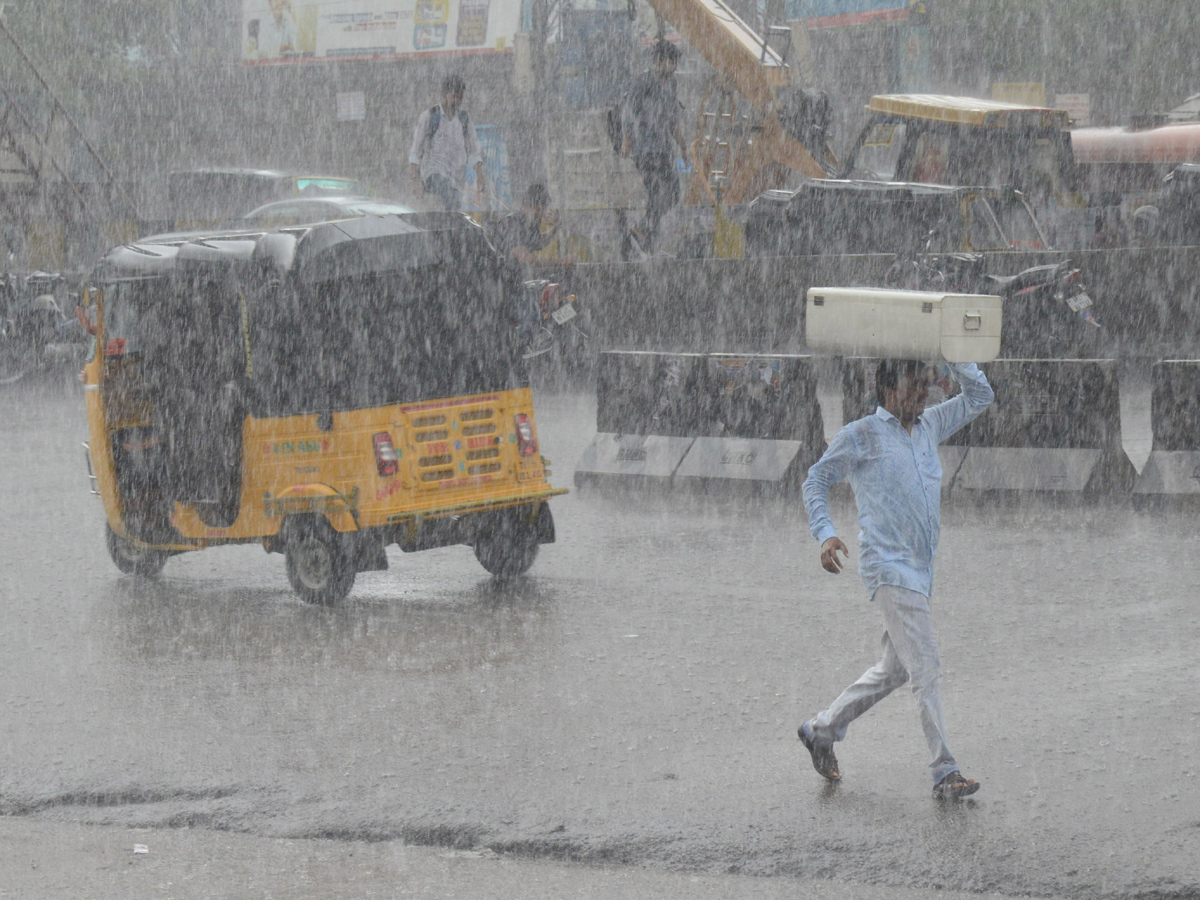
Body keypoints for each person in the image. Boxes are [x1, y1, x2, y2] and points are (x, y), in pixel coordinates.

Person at [799, 358, 994, 801]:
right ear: (888, 391)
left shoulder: (929, 425)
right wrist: (826, 533)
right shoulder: (863, 434)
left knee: (894, 670)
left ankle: (820, 729)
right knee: (926, 667)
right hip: (887, 567)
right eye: (914, 387)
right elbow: (815, 480)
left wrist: (953, 352)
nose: (924, 395)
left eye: (927, 386)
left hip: (921, 570)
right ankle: (945, 772)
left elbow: (981, 396)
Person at [487, 183, 574, 355]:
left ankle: (536, 339)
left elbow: (537, 242)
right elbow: (525, 256)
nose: (542, 213)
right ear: (530, 205)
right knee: (528, 314)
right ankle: (517, 349)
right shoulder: (513, 222)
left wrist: (555, 229)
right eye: (540, 209)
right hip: (499, 281)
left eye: (543, 209)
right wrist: (560, 261)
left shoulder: (531, 223)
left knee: (535, 307)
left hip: (514, 279)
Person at [620, 40, 687, 255]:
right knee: (656, 192)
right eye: (672, 62)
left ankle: (643, 232)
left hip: (664, 149)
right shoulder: (643, 82)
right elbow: (629, 112)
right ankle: (645, 235)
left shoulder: (672, 84)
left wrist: (684, 147)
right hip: (645, 148)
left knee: (674, 193)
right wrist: (627, 139)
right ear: (659, 61)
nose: (674, 67)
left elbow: (673, 120)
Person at [408, 74, 486, 212]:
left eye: (460, 97)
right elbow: (416, 151)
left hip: (456, 179)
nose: (457, 101)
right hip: (433, 174)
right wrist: (415, 180)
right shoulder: (429, 116)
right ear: (444, 95)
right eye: (454, 96)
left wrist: (480, 177)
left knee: (452, 209)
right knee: (449, 197)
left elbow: (474, 150)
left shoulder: (464, 119)